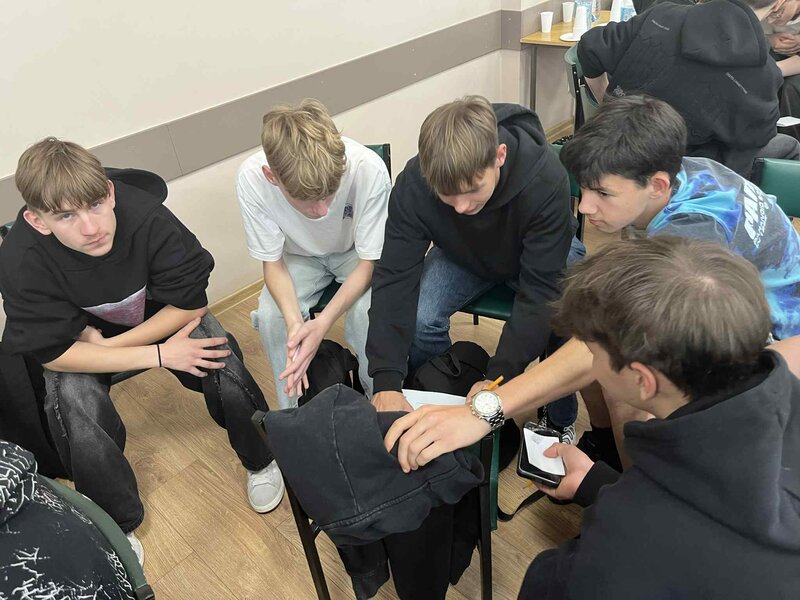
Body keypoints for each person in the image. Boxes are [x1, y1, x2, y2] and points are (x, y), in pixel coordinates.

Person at [382, 95, 800, 473]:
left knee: (624, 379)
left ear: (655, 185)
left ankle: (633, 492)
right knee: (595, 335)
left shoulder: (691, 232)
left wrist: (488, 407)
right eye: (583, 189)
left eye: (602, 193)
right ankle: (606, 448)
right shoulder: (683, 176)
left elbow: (603, 342)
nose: (583, 207)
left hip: (773, 354)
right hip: (736, 318)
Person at [0, 138, 281, 565]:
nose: (91, 227)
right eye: (66, 216)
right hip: (79, 339)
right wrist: (159, 355)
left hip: (154, 317)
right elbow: (54, 355)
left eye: (96, 204)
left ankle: (261, 458)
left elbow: (191, 304)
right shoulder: (21, 258)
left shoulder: (147, 217)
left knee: (217, 356)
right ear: (38, 221)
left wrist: (117, 346)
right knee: (72, 401)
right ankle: (117, 519)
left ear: (110, 193)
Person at [517, 236, 800, 599]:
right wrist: (597, 484)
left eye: (590, 351)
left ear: (642, 380)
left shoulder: (623, 543)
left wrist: (624, 506)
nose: (588, 360)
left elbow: (551, 585)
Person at [367, 95, 583, 440]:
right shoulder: (415, 185)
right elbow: (395, 276)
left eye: (472, 190)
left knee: (568, 309)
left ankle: (559, 419)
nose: (462, 207)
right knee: (421, 318)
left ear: (499, 156)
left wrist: (499, 378)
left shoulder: (545, 178)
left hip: (540, 254)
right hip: (464, 254)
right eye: (447, 196)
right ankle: (444, 391)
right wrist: (386, 380)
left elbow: (540, 292)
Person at [237, 99, 390, 408]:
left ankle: (379, 402)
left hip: (356, 251)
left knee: (366, 316)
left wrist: (322, 325)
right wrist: (295, 322)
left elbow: (369, 262)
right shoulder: (251, 179)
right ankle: (293, 414)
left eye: (328, 196)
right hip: (298, 256)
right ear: (271, 176)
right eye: (306, 200)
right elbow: (272, 263)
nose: (321, 211)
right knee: (272, 318)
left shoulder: (367, 169)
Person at [577, 0, 800, 177]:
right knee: (788, 147)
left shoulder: (661, 16)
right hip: (687, 173)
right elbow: (754, 139)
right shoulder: (762, 75)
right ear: (778, 4)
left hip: (619, 146)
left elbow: (589, 46)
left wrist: (608, 105)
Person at [763, 0, 800, 140]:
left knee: (792, 86)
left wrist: (771, 71)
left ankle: (790, 141)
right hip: (774, 55)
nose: (770, 19)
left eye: (777, 12)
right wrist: (769, 40)